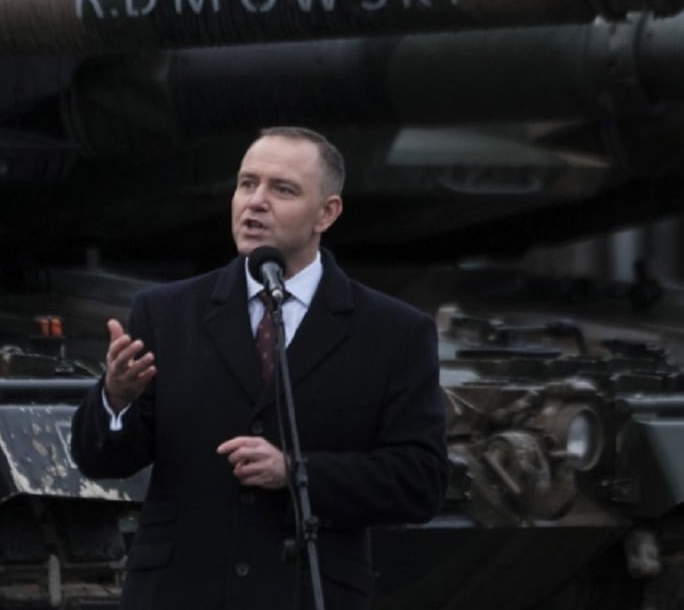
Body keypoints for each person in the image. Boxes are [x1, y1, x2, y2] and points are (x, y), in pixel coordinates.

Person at [71, 126, 448, 610]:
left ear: (327, 213)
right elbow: (102, 462)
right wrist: (115, 399)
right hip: (180, 592)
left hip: (306, 593)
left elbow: (420, 482)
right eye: (247, 183)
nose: (255, 202)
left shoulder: (394, 332)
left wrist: (295, 471)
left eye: (282, 189)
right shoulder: (166, 313)